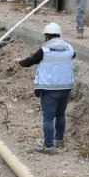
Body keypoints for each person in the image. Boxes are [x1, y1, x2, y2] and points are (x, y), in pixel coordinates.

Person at [17, 22, 75, 154]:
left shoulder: (44, 50)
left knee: (48, 118)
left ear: (47, 36)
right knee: (60, 115)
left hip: (49, 89)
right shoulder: (69, 48)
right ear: (59, 35)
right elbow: (73, 56)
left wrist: (20, 61)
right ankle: (59, 140)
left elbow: (30, 61)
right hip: (65, 88)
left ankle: (48, 146)